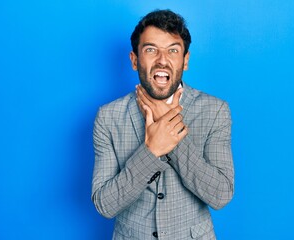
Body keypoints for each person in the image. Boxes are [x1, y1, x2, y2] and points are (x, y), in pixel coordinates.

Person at [91, 9, 234, 240]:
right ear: (134, 60)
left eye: (173, 51)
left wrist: (172, 136)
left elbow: (220, 194)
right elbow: (105, 204)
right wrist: (151, 151)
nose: (162, 61)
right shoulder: (108, 117)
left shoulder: (215, 111)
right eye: (151, 50)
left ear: (185, 60)